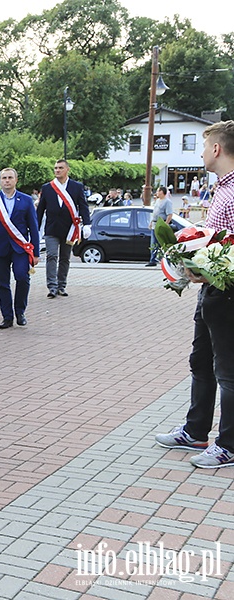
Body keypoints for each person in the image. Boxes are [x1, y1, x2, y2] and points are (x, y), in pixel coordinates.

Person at [155, 120, 234, 468]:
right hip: (211, 290)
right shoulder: (222, 189)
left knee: (228, 371)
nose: (201, 153)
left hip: (228, 293)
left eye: (203, 147)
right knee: (200, 362)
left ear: (216, 149)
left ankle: (228, 444)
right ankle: (195, 430)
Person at [0, 168, 40, 329]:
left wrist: (36, 252)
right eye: (4, 178)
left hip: (20, 248)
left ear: (15, 180)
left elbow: (33, 228)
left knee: (22, 277)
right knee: (2, 283)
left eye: (10, 177)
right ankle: (7, 316)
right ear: (0, 181)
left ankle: (20, 312)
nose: (7, 180)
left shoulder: (26, 200)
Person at [36, 159, 92, 298]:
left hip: (69, 229)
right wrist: (35, 228)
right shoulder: (48, 187)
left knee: (65, 258)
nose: (57, 170)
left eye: (60, 168)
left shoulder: (76, 187)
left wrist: (86, 224)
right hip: (51, 228)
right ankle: (52, 286)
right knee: (52, 255)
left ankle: (62, 285)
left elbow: (83, 206)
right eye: (55, 168)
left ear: (67, 169)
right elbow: (40, 210)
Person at [145, 185, 173, 267]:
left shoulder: (167, 202)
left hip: (160, 224)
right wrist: (150, 222)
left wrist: (166, 224)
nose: (156, 193)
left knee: (162, 243)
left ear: (162, 192)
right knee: (153, 243)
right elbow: (154, 213)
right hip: (154, 224)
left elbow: (169, 214)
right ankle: (152, 260)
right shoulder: (157, 201)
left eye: (158, 191)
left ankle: (166, 260)